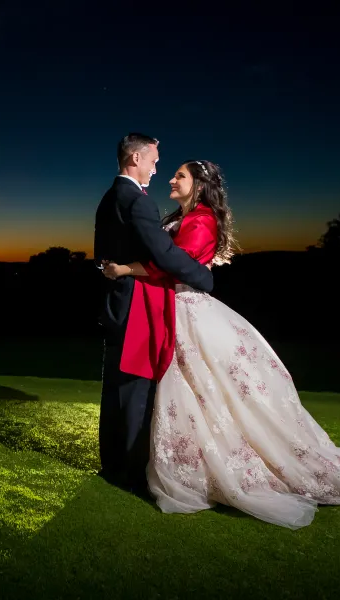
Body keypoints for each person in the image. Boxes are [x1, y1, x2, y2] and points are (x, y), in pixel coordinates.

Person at [103, 160, 340, 529]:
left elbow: (175, 263)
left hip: (188, 310)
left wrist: (126, 269)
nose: (171, 179)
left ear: (200, 185)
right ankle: (190, 463)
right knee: (191, 391)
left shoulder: (203, 218)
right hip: (170, 308)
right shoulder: (182, 215)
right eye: (172, 173)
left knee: (208, 387)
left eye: (180, 176)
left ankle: (222, 467)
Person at [93, 133, 214, 491]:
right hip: (136, 306)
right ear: (135, 158)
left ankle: (113, 464)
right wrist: (202, 276)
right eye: (154, 161)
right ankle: (131, 473)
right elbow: (162, 253)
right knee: (134, 389)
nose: (156, 169)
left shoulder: (110, 197)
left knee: (115, 387)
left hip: (117, 302)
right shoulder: (137, 200)